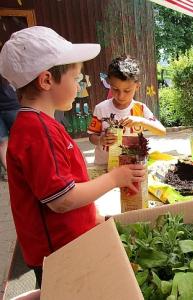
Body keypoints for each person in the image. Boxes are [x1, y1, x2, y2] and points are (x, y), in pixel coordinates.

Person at [0, 26, 146, 288]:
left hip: (66, 242)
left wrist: (92, 217)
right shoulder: (38, 130)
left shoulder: (44, 124)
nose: (80, 85)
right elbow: (62, 200)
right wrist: (115, 178)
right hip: (59, 253)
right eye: (77, 78)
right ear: (46, 80)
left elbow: (65, 184)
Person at [88, 55, 166, 165]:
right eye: (115, 89)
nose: (121, 96)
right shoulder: (101, 108)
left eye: (127, 90)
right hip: (104, 167)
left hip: (132, 166)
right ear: (109, 84)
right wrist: (100, 140)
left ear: (137, 87)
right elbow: (92, 136)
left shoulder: (141, 109)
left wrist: (141, 121)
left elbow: (162, 131)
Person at [0, 74, 20, 181]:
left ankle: (13, 171)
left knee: (4, 142)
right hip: (12, 105)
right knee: (5, 142)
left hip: (12, 106)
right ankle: (12, 171)